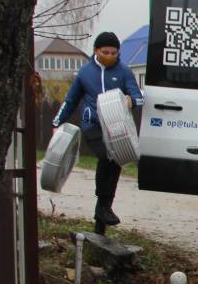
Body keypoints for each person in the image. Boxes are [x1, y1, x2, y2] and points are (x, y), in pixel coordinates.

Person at [52, 31, 144, 235]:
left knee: (116, 160)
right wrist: (57, 122)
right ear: (96, 50)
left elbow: (138, 96)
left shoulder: (124, 72)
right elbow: (70, 101)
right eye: (105, 52)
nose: (110, 56)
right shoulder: (85, 73)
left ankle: (102, 214)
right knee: (107, 156)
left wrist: (131, 100)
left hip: (116, 126)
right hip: (92, 124)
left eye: (114, 53)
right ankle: (103, 207)